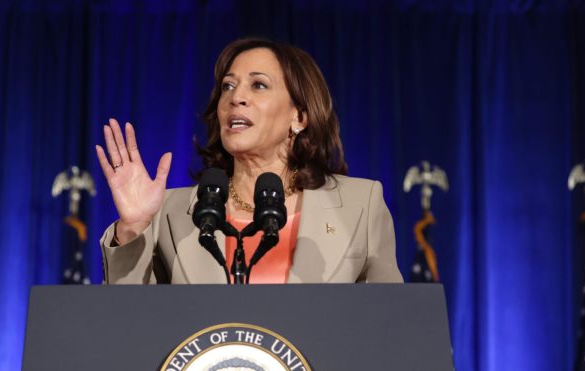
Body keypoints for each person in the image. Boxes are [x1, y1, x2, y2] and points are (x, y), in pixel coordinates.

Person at [96, 38, 403, 284]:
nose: (235, 97)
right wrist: (133, 228)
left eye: (258, 85)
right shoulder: (170, 212)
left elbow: (389, 326)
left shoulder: (360, 204)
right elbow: (132, 325)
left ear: (299, 116)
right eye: (228, 86)